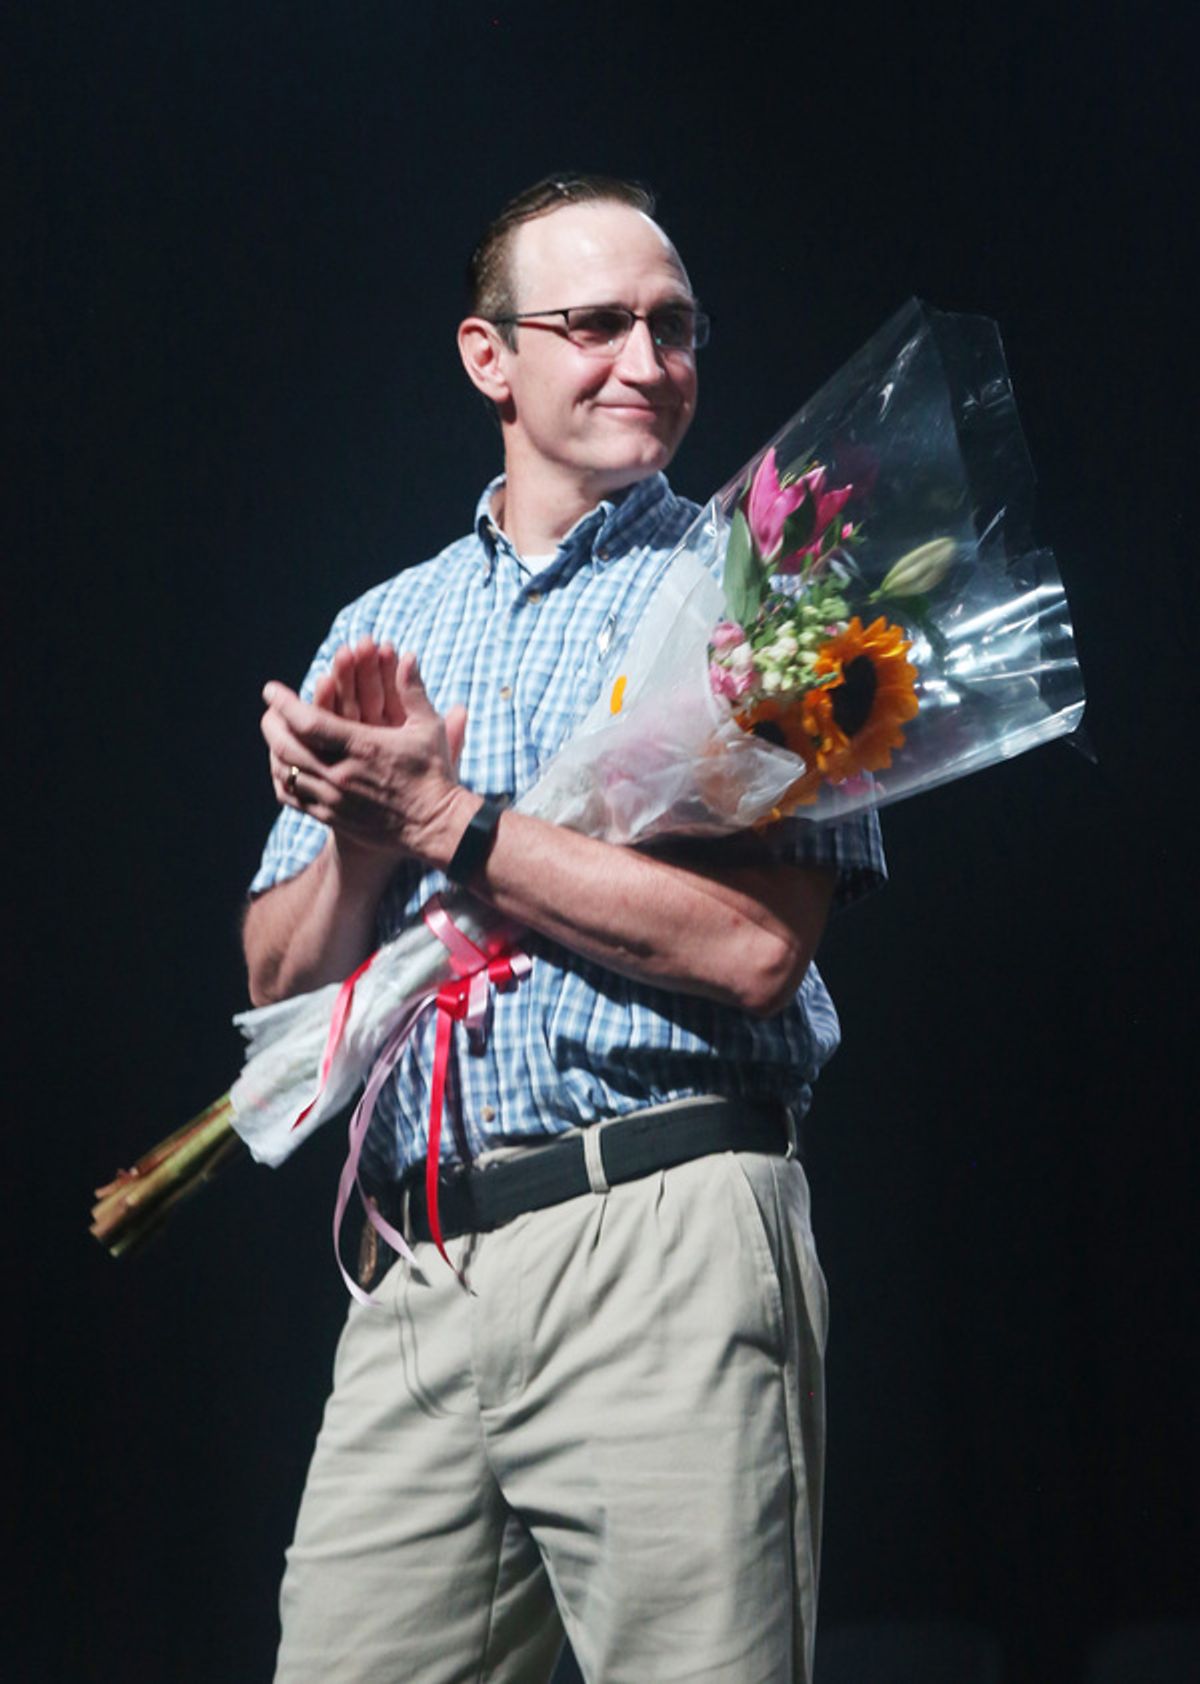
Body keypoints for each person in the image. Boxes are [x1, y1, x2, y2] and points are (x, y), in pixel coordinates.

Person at [245, 173, 885, 1684]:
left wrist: (445, 820)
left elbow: (755, 952)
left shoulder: (768, 596)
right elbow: (278, 984)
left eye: (675, 327)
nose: (645, 361)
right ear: (492, 358)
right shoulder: (384, 621)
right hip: (421, 1264)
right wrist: (359, 841)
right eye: (595, 325)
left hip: (661, 1221)